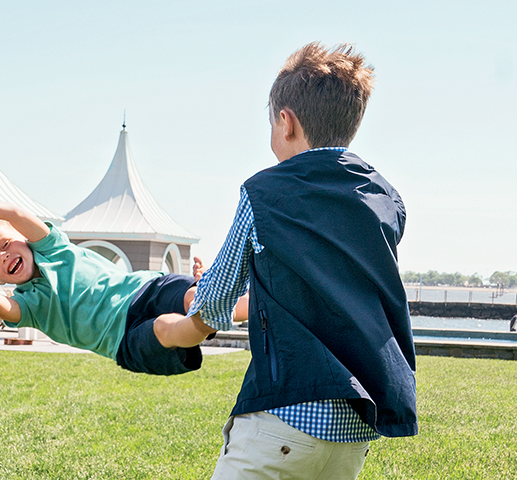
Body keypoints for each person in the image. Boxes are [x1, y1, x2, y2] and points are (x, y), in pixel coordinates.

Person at [163, 42, 419, 480]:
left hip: (285, 418)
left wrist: (191, 309)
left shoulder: (264, 192)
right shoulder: (385, 200)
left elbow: (218, 300)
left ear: (286, 122)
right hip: (355, 427)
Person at [0, 201, 246, 375]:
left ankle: (237, 303)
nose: (3, 256)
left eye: (5, 243)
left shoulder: (54, 248)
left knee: (190, 296)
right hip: (124, 341)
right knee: (166, 326)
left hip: (145, 289)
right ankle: (203, 316)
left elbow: (16, 214)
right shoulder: (30, 305)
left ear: (23, 237)